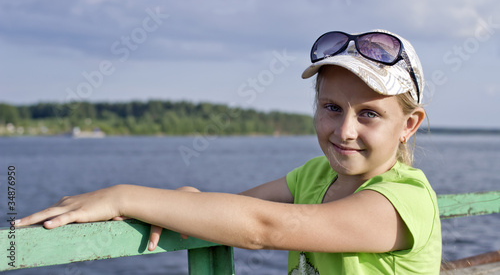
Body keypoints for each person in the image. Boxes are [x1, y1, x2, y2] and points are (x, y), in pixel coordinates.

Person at [18, 29, 442, 274]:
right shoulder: (315, 176)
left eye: (369, 114)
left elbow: (264, 227)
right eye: (331, 107)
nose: (344, 130)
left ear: (408, 125)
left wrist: (123, 195)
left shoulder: (402, 200)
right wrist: (182, 204)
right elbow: (237, 209)